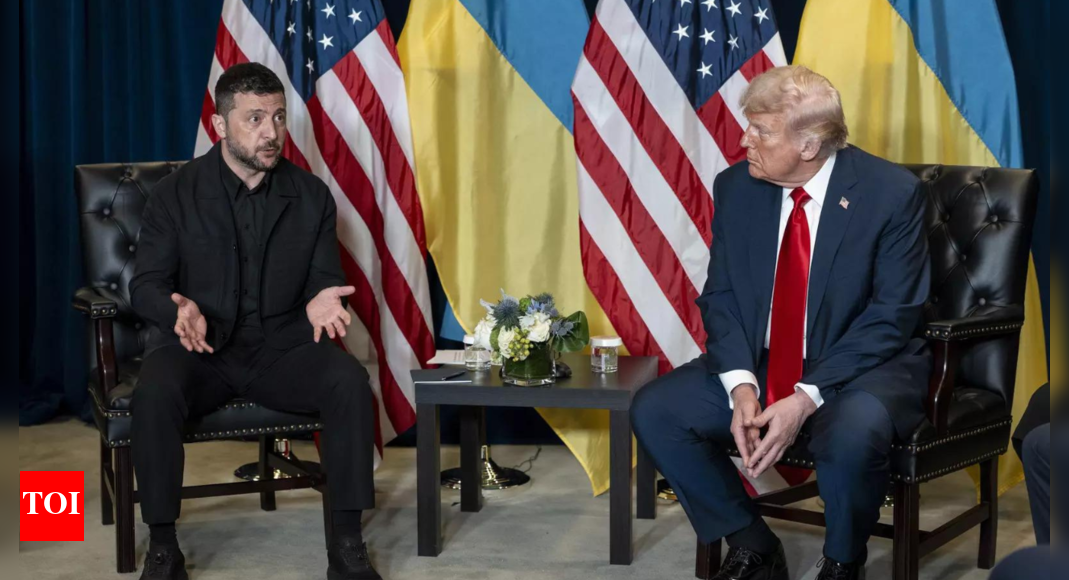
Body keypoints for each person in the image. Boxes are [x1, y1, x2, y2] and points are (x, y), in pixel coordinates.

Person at [631, 66, 931, 580]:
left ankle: (843, 562)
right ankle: (754, 546)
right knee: (658, 409)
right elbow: (722, 295)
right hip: (766, 359)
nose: (744, 140)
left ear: (810, 144)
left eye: (761, 131)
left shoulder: (891, 193)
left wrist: (806, 396)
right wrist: (741, 386)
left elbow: (891, 317)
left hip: (863, 367)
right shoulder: (737, 187)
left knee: (852, 433)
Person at [129, 62, 380, 580]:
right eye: (255, 118)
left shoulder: (311, 196)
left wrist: (323, 299)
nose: (271, 132)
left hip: (281, 350)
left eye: (279, 117)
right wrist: (178, 311)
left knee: (349, 382)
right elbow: (146, 284)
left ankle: (347, 543)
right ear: (220, 125)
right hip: (199, 350)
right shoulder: (174, 194)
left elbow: (325, 280)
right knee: (154, 390)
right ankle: (163, 545)